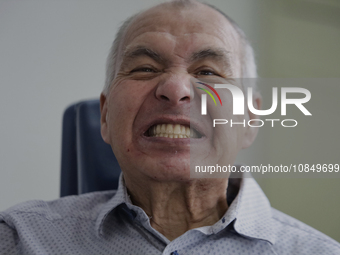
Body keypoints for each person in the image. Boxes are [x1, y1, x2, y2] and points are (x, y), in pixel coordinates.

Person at [1, 0, 339, 254]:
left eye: (208, 72)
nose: (176, 90)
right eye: (145, 68)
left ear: (250, 120)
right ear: (105, 116)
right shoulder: (18, 238)